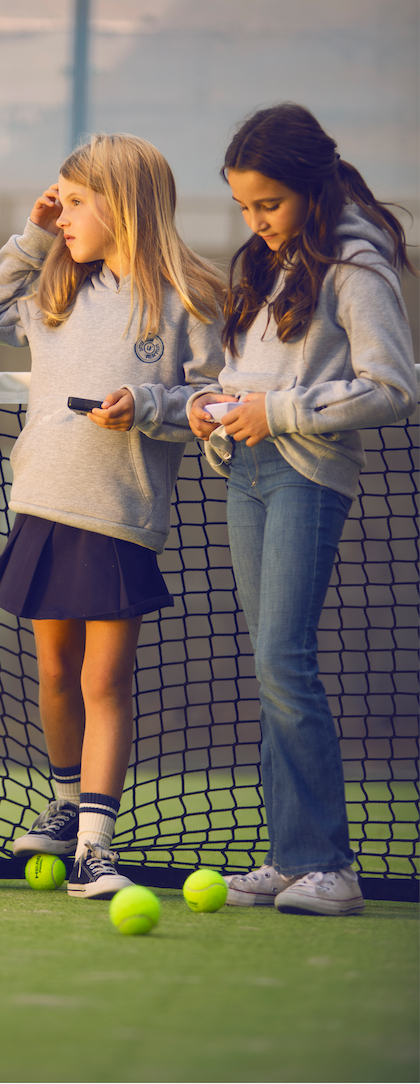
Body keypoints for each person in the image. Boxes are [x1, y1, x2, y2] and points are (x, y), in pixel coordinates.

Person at [0, 133, 225, 898]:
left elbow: (212, 401)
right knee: (55, 671)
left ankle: (95, 848)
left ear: (125, 205)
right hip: (44, 506)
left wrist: (146, 406)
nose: (66, 213)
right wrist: (35, 231)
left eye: (77, 201)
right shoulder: (55, 287)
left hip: (119, 516)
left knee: (104, 681)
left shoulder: (189, 299)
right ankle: (63, 801)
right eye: (62, 200)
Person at [188, 102, 417, 916]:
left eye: (269, 204)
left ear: (311, 188)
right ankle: (291, 860)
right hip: (243, 472)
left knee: (285, 657)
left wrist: (275, 412)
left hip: (305, 477)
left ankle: (330, 865)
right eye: (245, 206)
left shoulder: (357, 264)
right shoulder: (266, 263)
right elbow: (248, 376)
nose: (256, 222)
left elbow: (392, 387)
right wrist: (215, 408)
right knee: (267, 660)